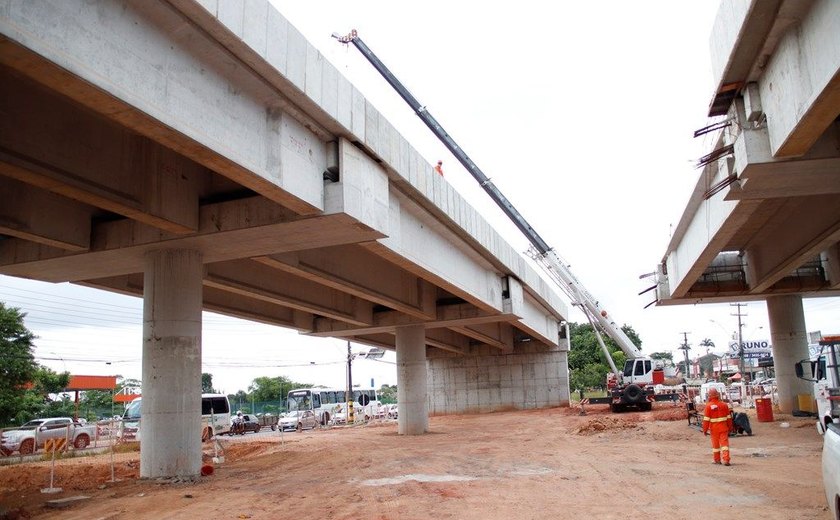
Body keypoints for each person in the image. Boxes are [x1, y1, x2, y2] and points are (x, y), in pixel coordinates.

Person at [702, 388, 734, 465]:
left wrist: (705, 430)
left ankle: (717, 460)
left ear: (709, 396)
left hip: (714, 429)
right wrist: (730, 427)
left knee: (715, 445)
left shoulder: (708, 406)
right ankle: (726, 459)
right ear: (717, 395)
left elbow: (706, 420)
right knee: (724, 444)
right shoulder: (724, 405)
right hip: (723, 428)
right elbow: (729, 418)